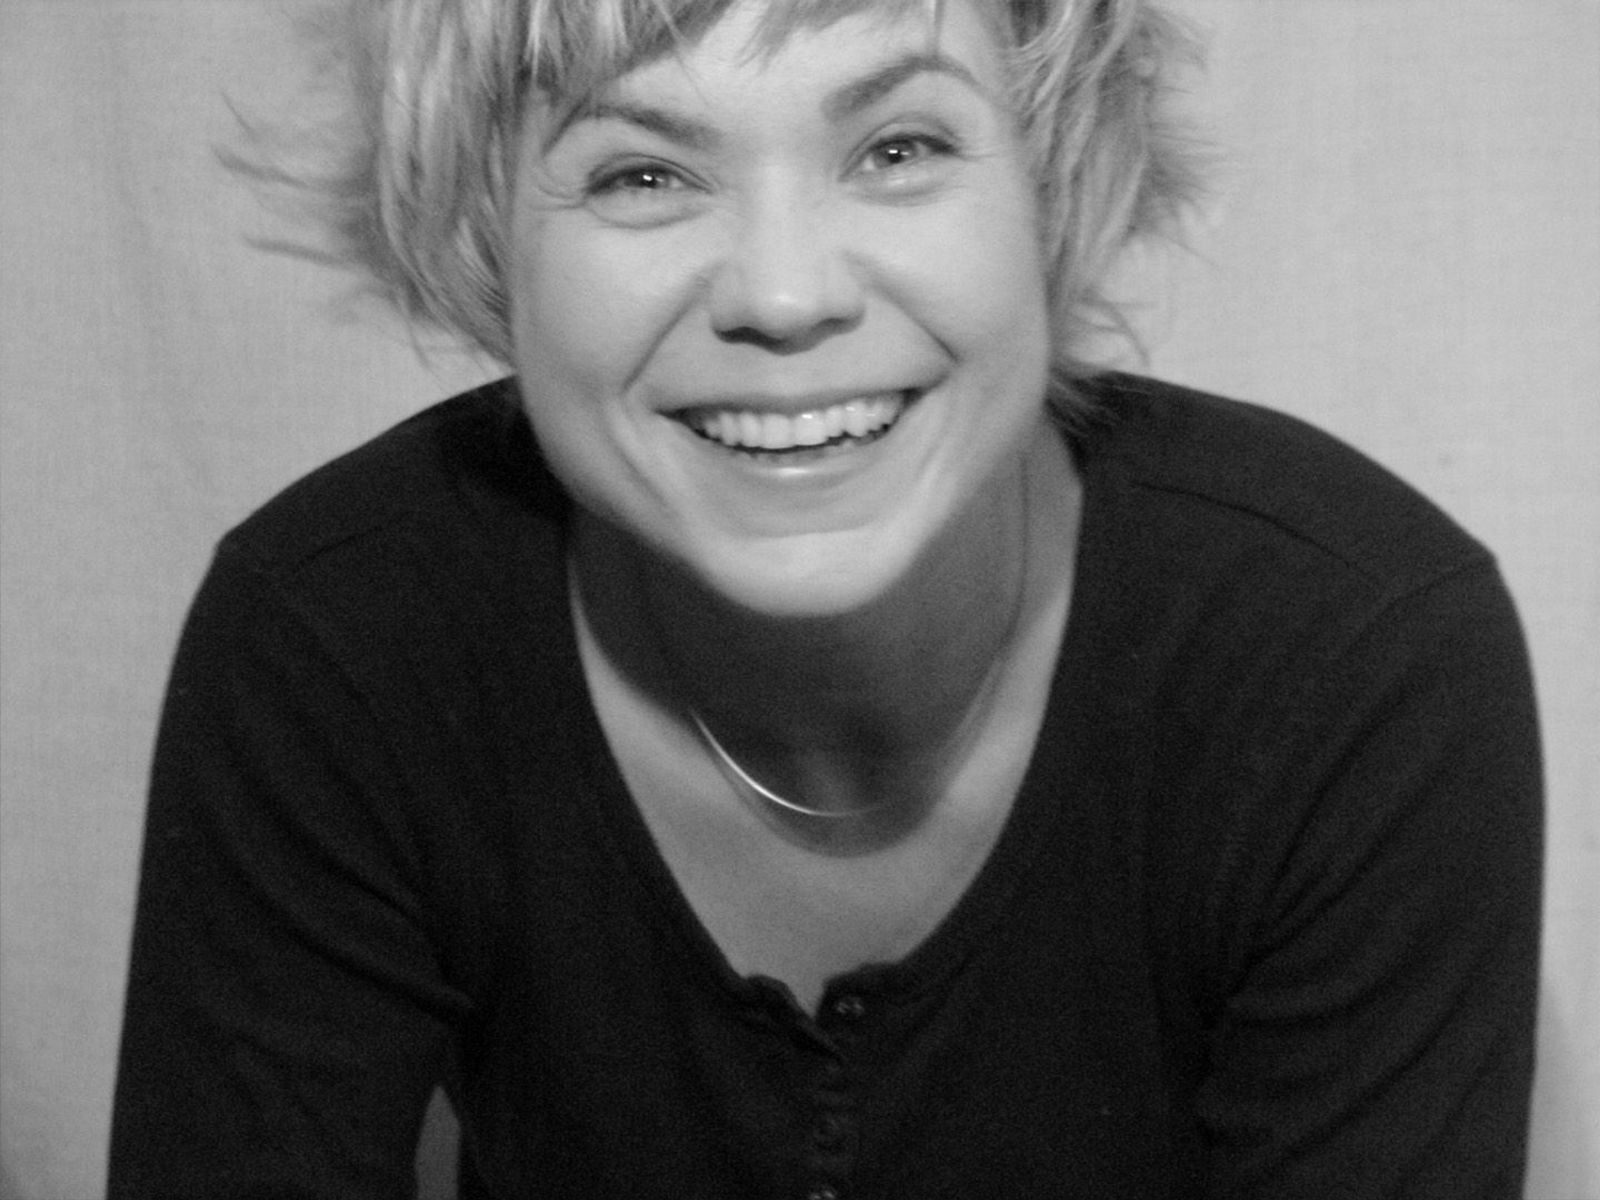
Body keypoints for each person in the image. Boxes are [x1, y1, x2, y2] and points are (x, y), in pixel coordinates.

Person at [107, 0, 1543, 1195]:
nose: (784, 295)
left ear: (1053, 189)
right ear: (487, 237)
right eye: (642, 175)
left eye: (899, 147)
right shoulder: (340, 639)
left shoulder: (1348, 654)